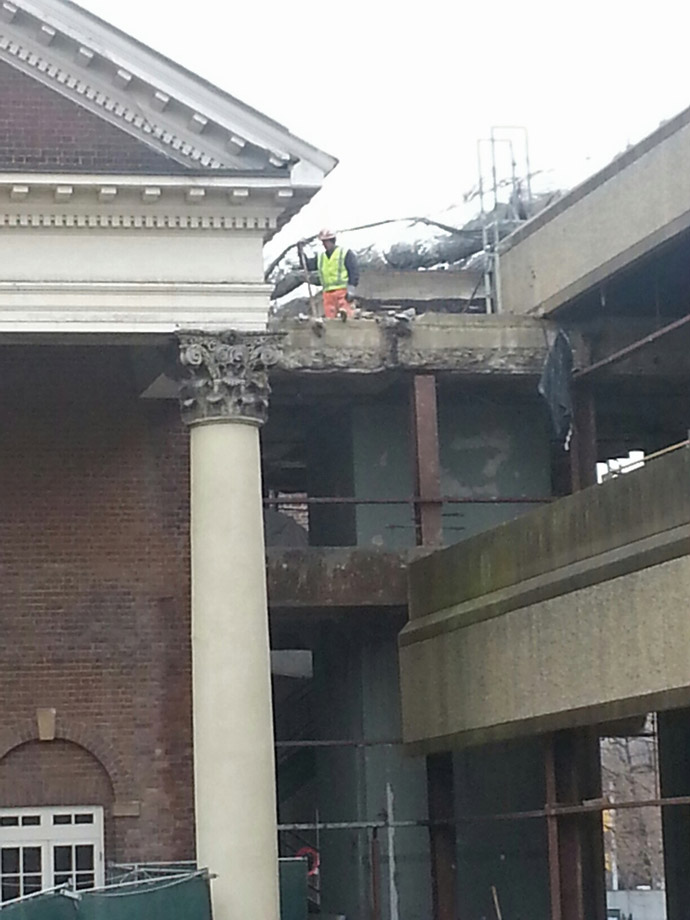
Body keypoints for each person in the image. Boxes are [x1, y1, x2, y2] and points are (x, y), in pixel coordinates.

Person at [297, 229, 360, 319]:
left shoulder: (345, 253)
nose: (325, 244)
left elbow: (354, 271)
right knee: (330, 320)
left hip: (342, 292)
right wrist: (300, 251)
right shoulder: (321, 257)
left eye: (326, 241)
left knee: (347, 318)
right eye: (323, 242)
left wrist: (351, 289)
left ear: (332, 241)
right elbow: (306, 265)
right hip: (328, 294)